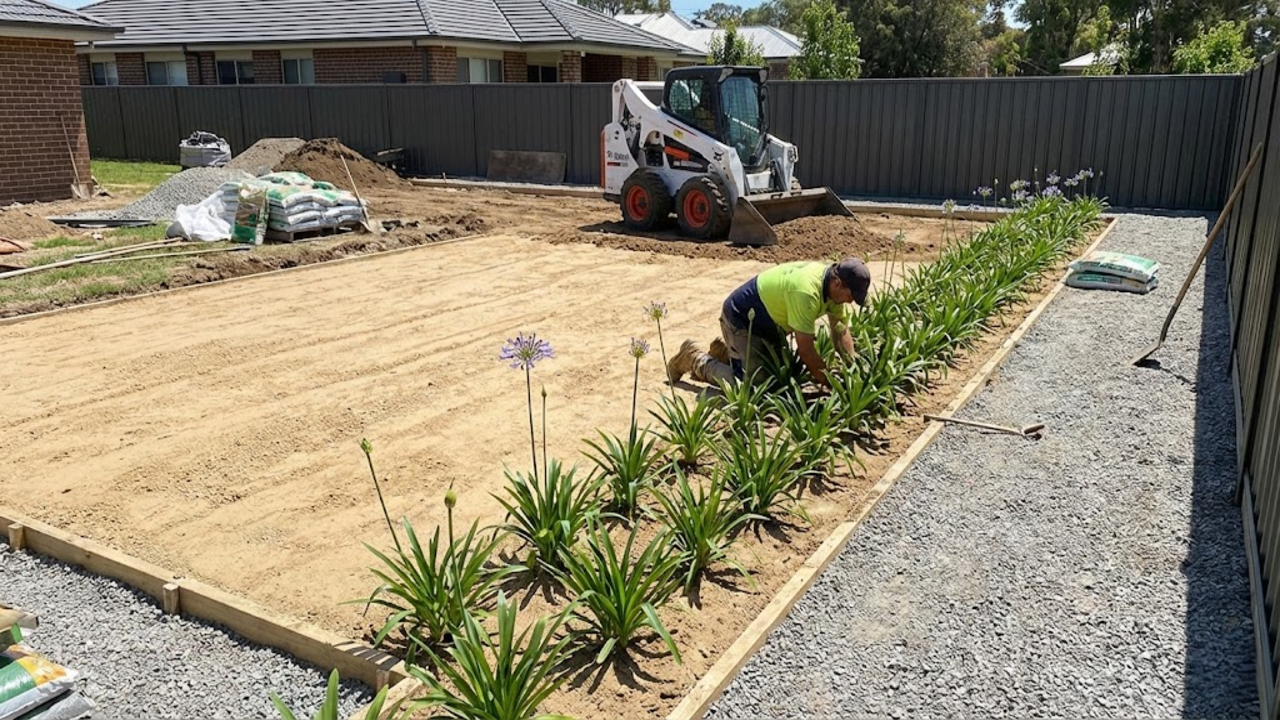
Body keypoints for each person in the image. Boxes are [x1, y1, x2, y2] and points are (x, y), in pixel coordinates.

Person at [668, 257, 872, 388]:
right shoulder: (806, 293)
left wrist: (852, 366)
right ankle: (694, 358)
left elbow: (840, 332)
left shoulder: (832, 290)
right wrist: (832, 383)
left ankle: (730, 354)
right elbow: (806, 352)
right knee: (753, 388)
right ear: (838, 283)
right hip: (742, 320)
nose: (851, 300)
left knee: (784, 376)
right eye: (851, 295)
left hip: (770, 326)